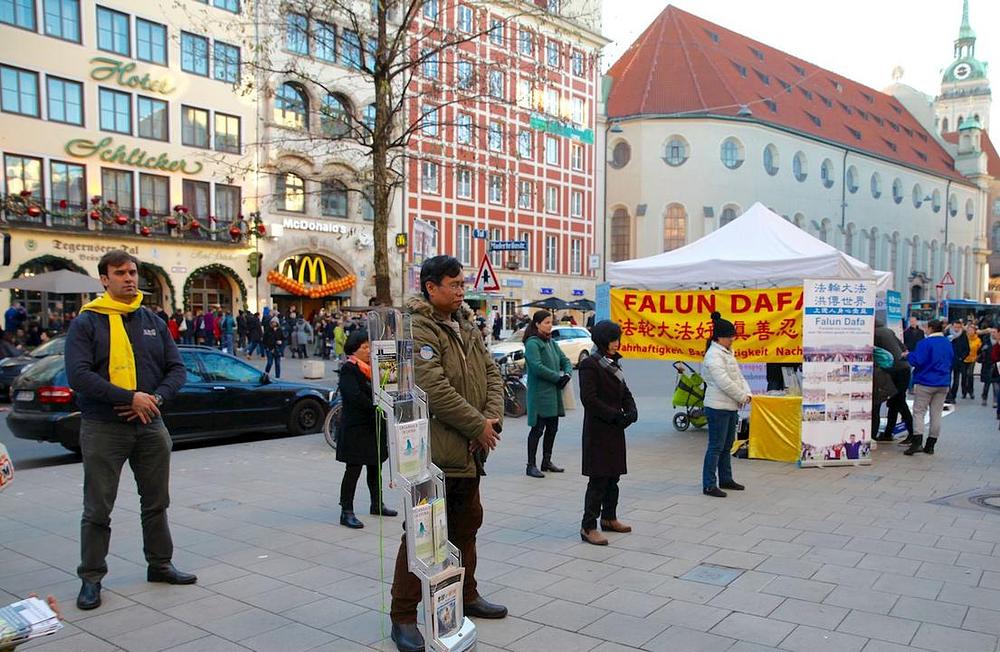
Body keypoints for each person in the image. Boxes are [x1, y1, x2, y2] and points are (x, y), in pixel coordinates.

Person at [64, 250, 193, 612]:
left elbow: (177, 370)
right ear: (104, 279)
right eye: (120, 273)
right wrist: (127, 397)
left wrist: (153, 399)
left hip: (150, 423)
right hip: (104, 427)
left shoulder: (152, 320)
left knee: (156, 502)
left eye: (133, 272)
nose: (129, 278)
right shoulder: (87, 323)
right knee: (97, 508)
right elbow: (79, 376)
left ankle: (160, 564)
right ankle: (91, 578)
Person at [390, 255, 506, 652]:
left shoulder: (467, 324)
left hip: (469, 453)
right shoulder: (417, 327)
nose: (460, 292)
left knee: (467, 525)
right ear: (430, 287)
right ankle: (403, 616)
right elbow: (434, 389)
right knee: (423, 534)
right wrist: (477, 426)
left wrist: (490, 420)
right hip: (433, 453)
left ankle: (466, 595)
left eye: (462, 285)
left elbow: (491, 374)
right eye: (453, 285)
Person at [578, 320, 637, 546]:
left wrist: (631, 409)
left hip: (615, 429)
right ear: (602, 340)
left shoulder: (613, 362)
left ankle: (609, 518)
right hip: (598, 430)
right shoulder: (590, 364)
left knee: (614, 476)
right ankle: (588, 526)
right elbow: (589, 399)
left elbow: (624, 390)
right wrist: (614, 415)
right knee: (599, 478)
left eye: (617, 339)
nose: (616, 343)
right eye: (612, 340)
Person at [336, 329, 397, 529]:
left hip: (373, 427)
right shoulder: (349, 368)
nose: (368, 350)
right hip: (357, 428)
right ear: (354, 349)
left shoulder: (373, 369)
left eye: (369, 346)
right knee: (353, 470)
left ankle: (377, 503)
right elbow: (354, 396)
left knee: (375, 467)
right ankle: (346, 511)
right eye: (364, 347)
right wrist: (377, 406)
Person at [701, 312, 751, 498]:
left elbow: (738, 377)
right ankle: (709, 484)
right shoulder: (713, 356)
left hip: (730, 406)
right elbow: (724, 382)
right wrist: (741, 396)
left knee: (727, 445)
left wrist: (747, 394)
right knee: (716, 446)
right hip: (717, 408)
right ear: (719, 337)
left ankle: (726, 479)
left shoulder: (727, 353)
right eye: (730, 336)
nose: (732, 339)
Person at [522, 310, 572, 478]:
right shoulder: (532, 343)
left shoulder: (551, 342)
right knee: (537, 430)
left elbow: (565, 360)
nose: (550, 325)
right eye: (547, 322)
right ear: (537, 324)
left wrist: (567, 374)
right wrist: (557, 378)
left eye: (551, 322)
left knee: (552, 428)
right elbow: (537, 367)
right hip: (540, 394)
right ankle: (531, 465)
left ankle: (546, 461)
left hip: (553, 394)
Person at [905, 319, 954, 455]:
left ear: (931, 328)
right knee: (936, 414)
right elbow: (951, 360)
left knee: (919, 412)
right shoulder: (947, 343)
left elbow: (918, 361)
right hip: (943, 382)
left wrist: (908, 355)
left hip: (926, 382)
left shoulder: (925, 343)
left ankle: (917, 442)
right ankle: (931, 445)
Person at [873, 320, 913, 443]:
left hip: (893, 370)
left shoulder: (873, 334)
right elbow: (904, 348)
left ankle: (913, 434)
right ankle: (888, 433)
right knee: (895, 402)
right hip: (904, 368)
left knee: (895, 402)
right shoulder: (888, 331)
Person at [945, 321, 969, 403]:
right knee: (947, 379)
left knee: (956, 380)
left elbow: (967, 349)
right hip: (948, 361)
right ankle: (948, 396)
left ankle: (953, 396)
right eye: (955, 327)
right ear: (952, 326)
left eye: (958, 327)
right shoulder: (947, 334)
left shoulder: (963, 336)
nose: (957, 329)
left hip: (958, 362)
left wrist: (961, 357)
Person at [961, 323, 981, 400]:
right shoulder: (964, 339)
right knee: (964, 375)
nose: (970, 331)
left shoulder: (978, 340)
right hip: (964, 359)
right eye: (968, 330)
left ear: (975, 331)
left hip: (972, 359)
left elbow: (980, 350)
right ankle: (964, 391)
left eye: (972, 330)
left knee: (970, 375)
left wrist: (978, 357)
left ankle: (971, 391)